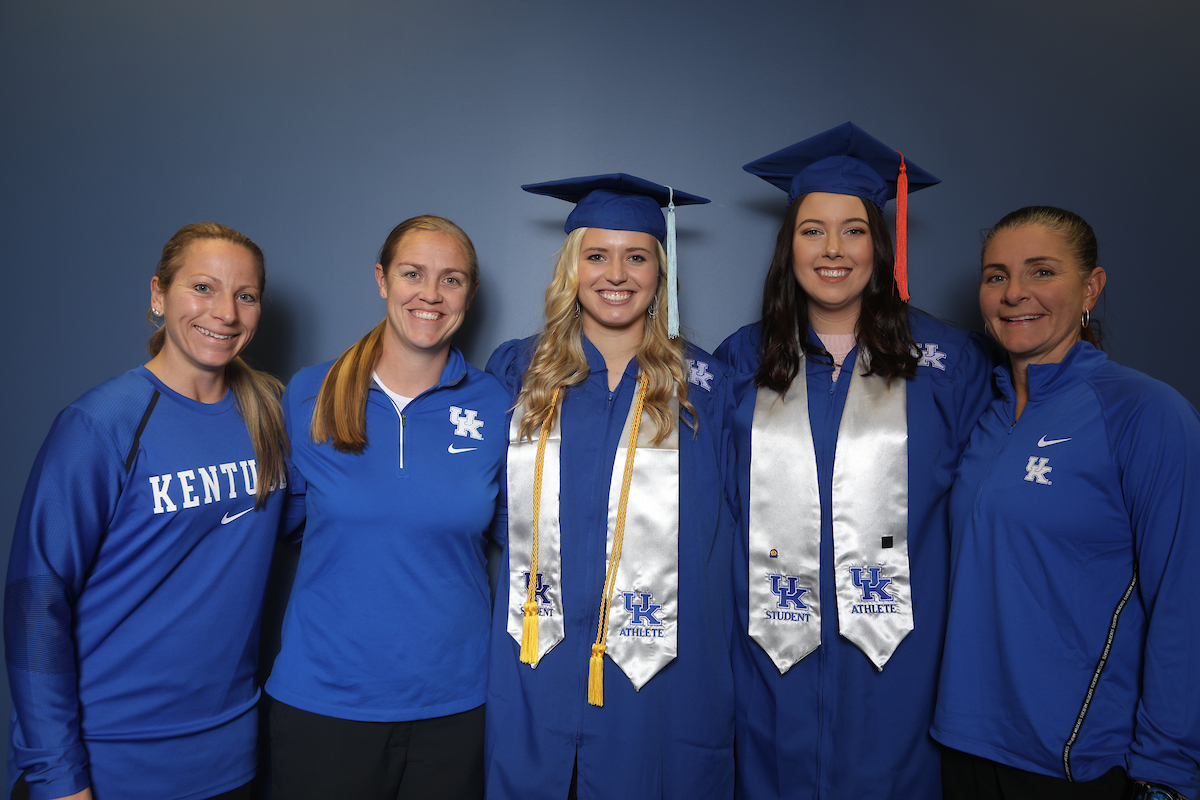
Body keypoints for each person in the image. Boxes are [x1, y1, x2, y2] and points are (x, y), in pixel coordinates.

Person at [715, 123, 995, 799]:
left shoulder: (952, 362)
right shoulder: (740, 361)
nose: (833, 249)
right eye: (813, 230)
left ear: (880, 243)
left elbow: (982, 517)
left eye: (854, 230)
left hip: (906, 677)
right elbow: (719, 510)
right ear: (790, 247)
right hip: (770, 671)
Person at [5, 223, 290, 800]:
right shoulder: (100, 425)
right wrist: (59, 779)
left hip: (230, 758)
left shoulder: (270, 418)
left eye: (245, 295)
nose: (225, 313)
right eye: (203, 288)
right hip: (110, 764)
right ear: (158, 295)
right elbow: (35, 607)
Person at [932, 206, 1200, 800]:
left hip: (1076, 760)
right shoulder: (987, 414)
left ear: (1090, 289)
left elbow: (1186, 598)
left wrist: (1168, 770)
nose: (1015, 294)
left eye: (1042, 271)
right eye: (996, 275)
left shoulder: (1146, 413)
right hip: (962, 744)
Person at [484, 174, 737, 800]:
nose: (616, 274)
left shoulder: (709, 386)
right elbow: (484, 507)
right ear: (572, 267)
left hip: (662, 670)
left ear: (661, 270)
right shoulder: (519, 370)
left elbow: (731, 530)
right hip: (536, 657)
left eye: (637, 256)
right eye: (596, 255)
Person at [265, 215, 508, 800]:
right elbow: (268, 530)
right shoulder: (308, 393)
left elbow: (527, 541)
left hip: (456, 704)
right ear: (381, 279)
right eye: (412, 274)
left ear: (469, 296)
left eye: (451, 280)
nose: (430, 294)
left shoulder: (496, 403)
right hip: (324, 700)